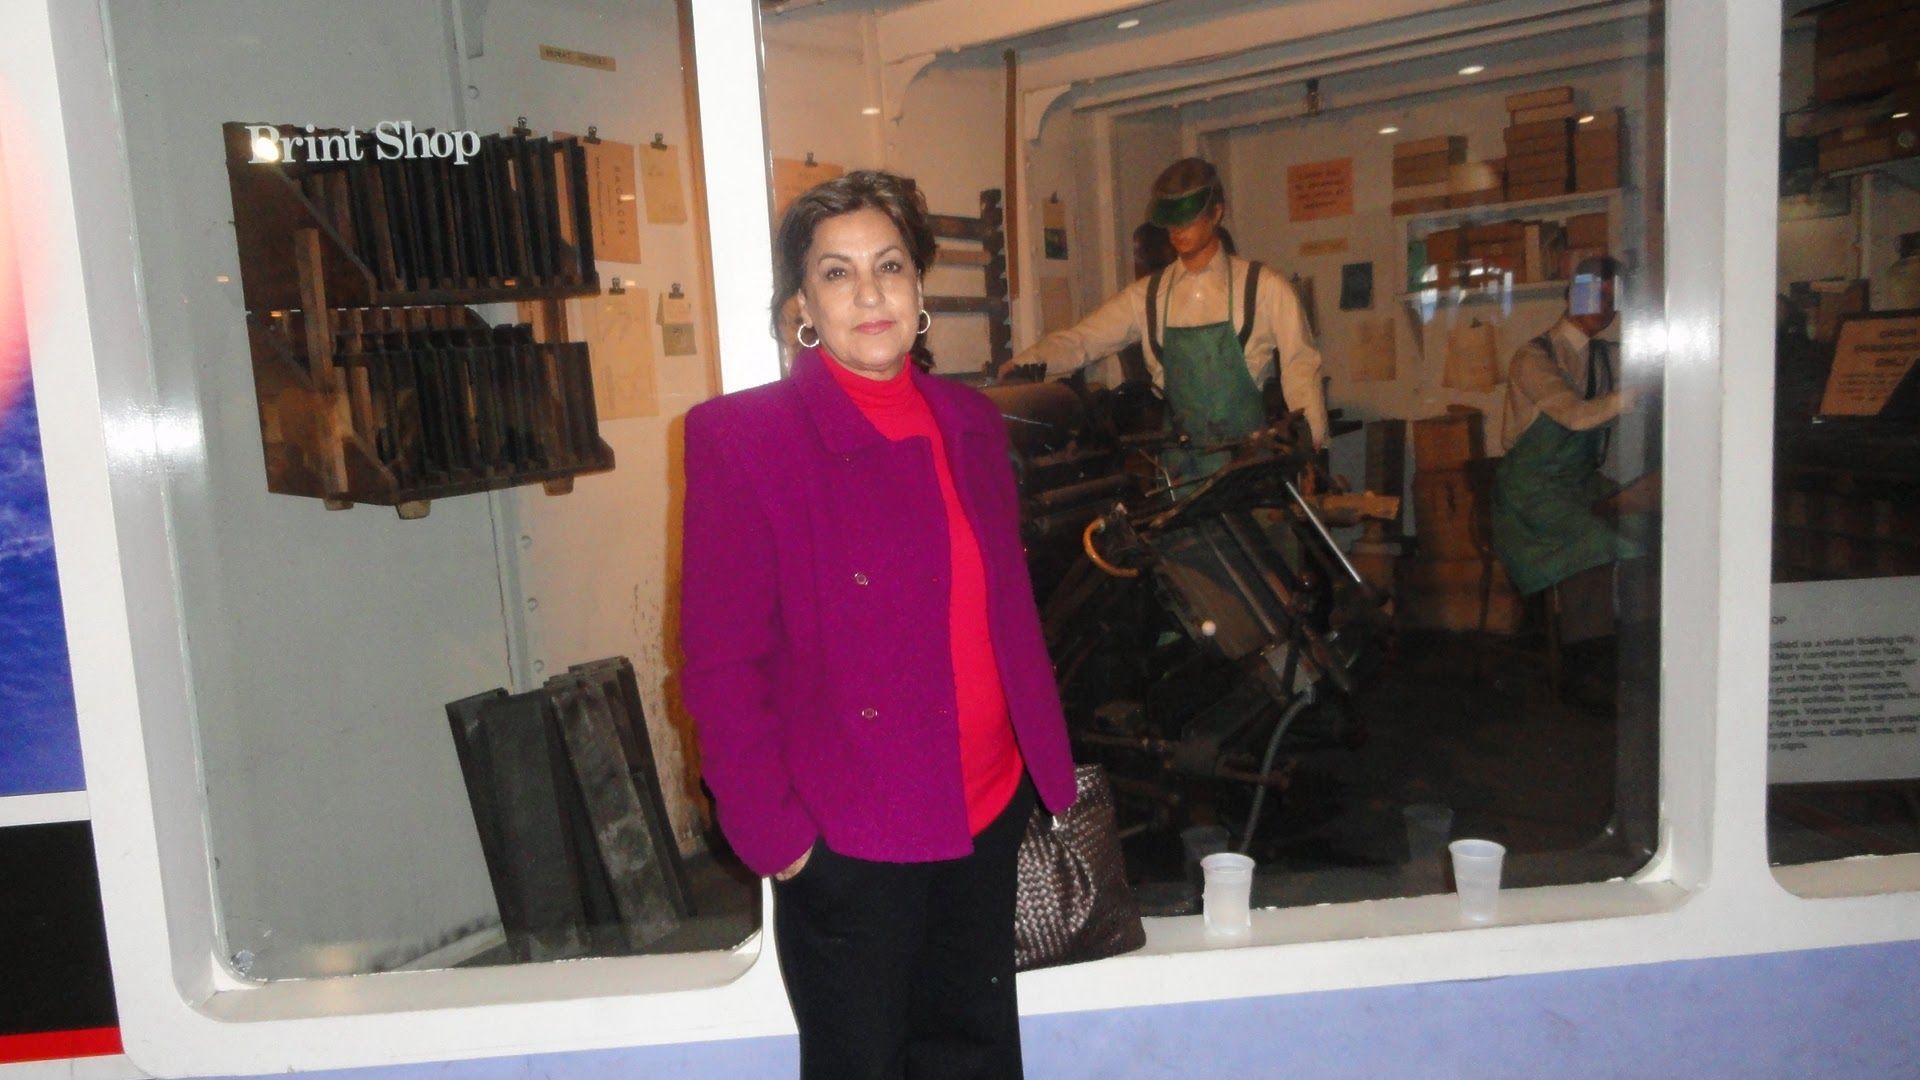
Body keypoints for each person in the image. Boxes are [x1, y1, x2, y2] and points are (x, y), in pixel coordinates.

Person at [679, 170, 1077, 1080]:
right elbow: (719, 663)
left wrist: (1029, 773)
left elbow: (1004, 609)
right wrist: (780, 842)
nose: (869, 294)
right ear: (801, 305)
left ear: (919, 287)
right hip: (851, 836)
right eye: (837, 272)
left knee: (975, 1060)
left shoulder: (970, 421)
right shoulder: (746, 440)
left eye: (889, 266)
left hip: (986, 810)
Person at [998, 157, 1327, 479]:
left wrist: (1311, 446)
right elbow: (1084, 340)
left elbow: (1301, 366)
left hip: (1249, 467)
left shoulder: (1265, 288)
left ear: (1216, 213)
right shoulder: (1148, 296)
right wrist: (1026, 364)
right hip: (1180, 471)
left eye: (1187, 220)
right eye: (1171, 222)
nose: (1177, 231)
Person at [1490, 255, 1646, 598]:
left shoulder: (1605, 355)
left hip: (1579, 483)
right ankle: (1586, 628)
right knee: (1602, 539)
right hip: (1532, 495)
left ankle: (1630, 623)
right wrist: (1635, 393)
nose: (1604, 307)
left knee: (1643, 520)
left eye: (1612, 299)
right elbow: (1574, 416)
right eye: (1596, 294)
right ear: (1572, 294)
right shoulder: (1534, 357)